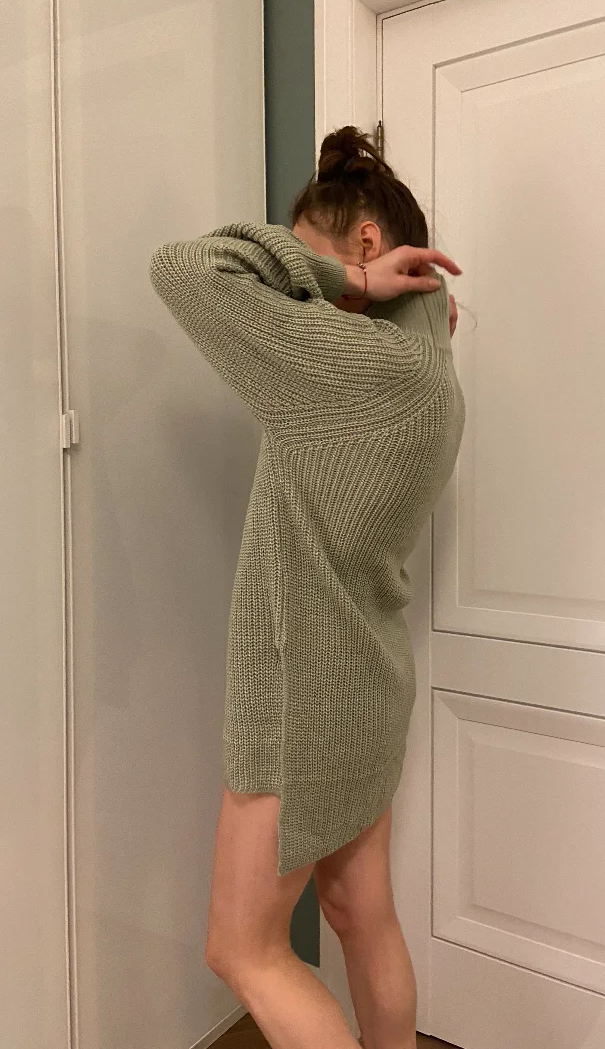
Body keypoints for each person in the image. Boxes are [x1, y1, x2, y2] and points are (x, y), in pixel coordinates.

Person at [148, 125, 465, 1049]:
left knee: (241, 948)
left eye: (317, 261)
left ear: (366, 243)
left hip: (302, 691)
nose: (309, 290)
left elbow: (184, 268)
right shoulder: (430, 376)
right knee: (363, 914)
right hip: (369, 683)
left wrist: (347, 282)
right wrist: (390, 298)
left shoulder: (354, 364)